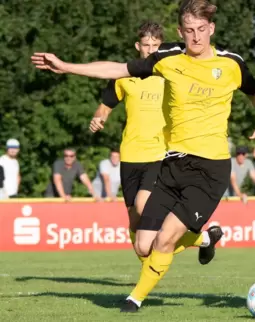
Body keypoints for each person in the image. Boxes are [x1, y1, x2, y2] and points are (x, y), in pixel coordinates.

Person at [31, 0, 255, 313]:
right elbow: (117, 70)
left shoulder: (231, 63)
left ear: (211, 29)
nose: (196, 36)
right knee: (144, 246)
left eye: (202, 29)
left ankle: (134, 299)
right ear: (179, 32)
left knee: (165, 240)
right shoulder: (166, 59)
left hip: (209, 169)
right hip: (172, 166)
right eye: (189, 30)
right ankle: (204, 240)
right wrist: (66, 66)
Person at [89, 22, 222, 270]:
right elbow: (105, 105)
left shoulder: (169, 72)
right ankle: (203, 239)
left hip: (161, 154)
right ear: (137, 46)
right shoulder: (125, 76)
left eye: (155, 45)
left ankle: (150, 273)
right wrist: (99, 118)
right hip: (130, 154)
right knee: (134, 221)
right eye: (146, 45)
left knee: (143, 205)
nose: (150, 50)